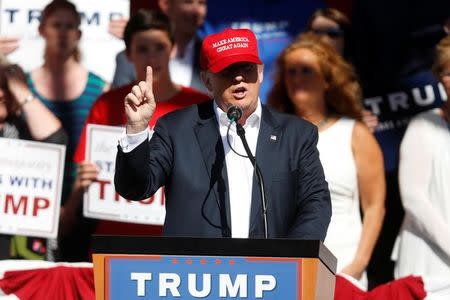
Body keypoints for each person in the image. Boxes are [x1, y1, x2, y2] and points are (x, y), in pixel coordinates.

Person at [114, 28, 331, 239]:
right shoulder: (175, 130)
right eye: (227, 71)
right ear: (207, 80)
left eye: (246, 68)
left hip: (270, 272)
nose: (238, 78)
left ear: (260, 72)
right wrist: (137, 128)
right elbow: (135, 188)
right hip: (194, 272)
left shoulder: (297, 135)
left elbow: (315, 203)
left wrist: (293, 261)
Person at [66, 10, 209, 261]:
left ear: (173, 50)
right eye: (142, 49)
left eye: (159, 47)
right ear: (129, 54)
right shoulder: (107, 104)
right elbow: (86, 170)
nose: (152, 56)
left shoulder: (199, 106)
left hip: (180, 246)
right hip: (116, 243)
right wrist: (84, 180)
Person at [267, 33, 385, 288]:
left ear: (327, 80)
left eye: (307, 71)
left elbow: (375, 206)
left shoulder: (355, 133)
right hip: (286, 272)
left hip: (344, 270)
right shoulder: (271, 134)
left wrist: (357, 265)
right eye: (291, 71)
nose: (297, 79)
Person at [393, 35, 450, 298]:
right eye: (448, 72)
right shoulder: (423, 125)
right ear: (439, 78)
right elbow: (414, 199)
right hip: (427, 267)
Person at [0, 60, 67, 259]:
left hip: (24, 252)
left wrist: (20, 90)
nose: (2, 94)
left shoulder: (24, 130)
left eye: (5, 87)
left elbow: (56, 138)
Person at [111, 0, 208, 93]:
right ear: (166, 4)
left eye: (201, 3)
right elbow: (119, 102)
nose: (196, 11)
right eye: (187, 2)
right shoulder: (127, 58)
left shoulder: (210, 56)